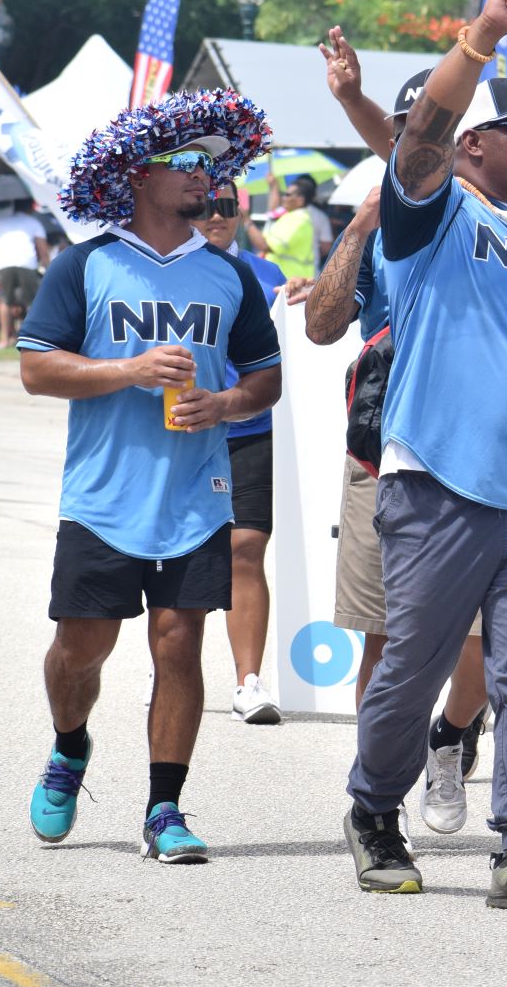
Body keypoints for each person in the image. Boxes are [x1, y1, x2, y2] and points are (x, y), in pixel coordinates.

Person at [341, 0, 507, 912]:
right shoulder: (435, 215)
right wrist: (483, 36)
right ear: (471, 145)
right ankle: (373, 812)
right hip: (437, 482)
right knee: (413, 667)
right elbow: (417, 138)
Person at [20, 89, 277, 864]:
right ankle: (70, 746)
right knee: (83, 649)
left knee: (178, 643)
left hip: (196, 496)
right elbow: (36, 368)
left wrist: (226, 400)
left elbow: (264, 378)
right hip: (102, 497)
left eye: (211, 164)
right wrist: (128, 368)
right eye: (187, 162)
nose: (206, 176)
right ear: (138, 174)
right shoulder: (86, 264)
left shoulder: (230, 275)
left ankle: (165, 808)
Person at [306, 58, 496, 821]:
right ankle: (375, 795)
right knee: (384, 642)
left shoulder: (497, 215)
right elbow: (321, 326)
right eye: (418, 130)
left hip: (479, 456)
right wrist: (355, 227)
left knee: (480, 644)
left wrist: (353, 97)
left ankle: (449, 735)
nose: (431, 140)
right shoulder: (388, 215)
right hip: (382, 452)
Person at [192, 179, 287, 724]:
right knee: (187, 555)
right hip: (186, 431)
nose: (215, 215)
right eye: (205, 204)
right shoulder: (173, 266)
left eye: (226, 206)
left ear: (240, 210)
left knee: (246, 548)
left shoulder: (266, 272)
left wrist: (306, 289)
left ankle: (248, 682)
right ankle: (172, 661)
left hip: (253, 430)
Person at [0, 200, 50, 348]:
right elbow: (43, 251)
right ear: (30, 208)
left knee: (6, 300)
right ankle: (29, 338)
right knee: (33, 302)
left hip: (2, 262)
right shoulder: (34, 223)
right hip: (26, 262)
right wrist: (47, 269)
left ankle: (4, 338)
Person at [249, 172, 331, 279]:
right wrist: (274, 186)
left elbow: (265, 246)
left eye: (287, 195)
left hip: (294, 278)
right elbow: (273, 213)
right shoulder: (289, 214)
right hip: (292, 276)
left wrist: (247, 222)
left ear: (300, 199)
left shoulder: (299, 219)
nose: (284, 198)